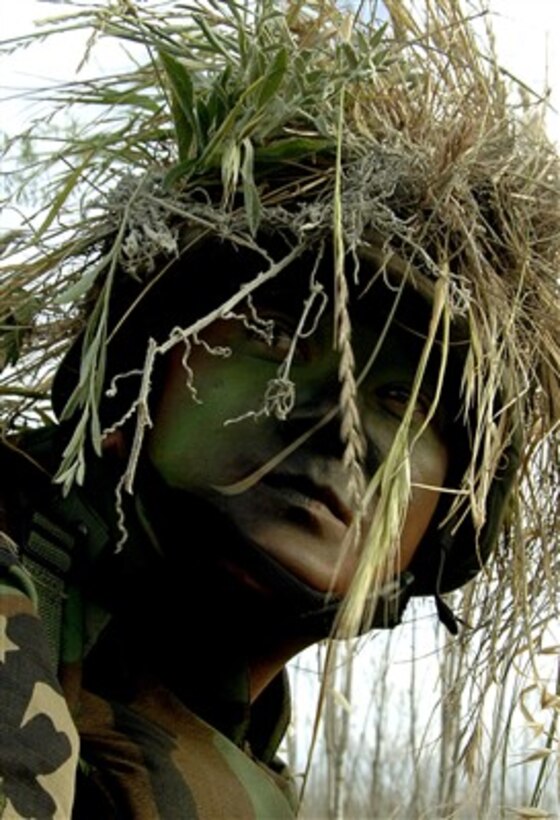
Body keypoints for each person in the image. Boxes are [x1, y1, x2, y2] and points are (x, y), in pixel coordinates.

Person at [1, 1, 559, 817]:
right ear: (140, 376)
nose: (343, 423)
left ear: (442, 534)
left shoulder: (205, 719)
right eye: (283, 335)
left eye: (406, 400)